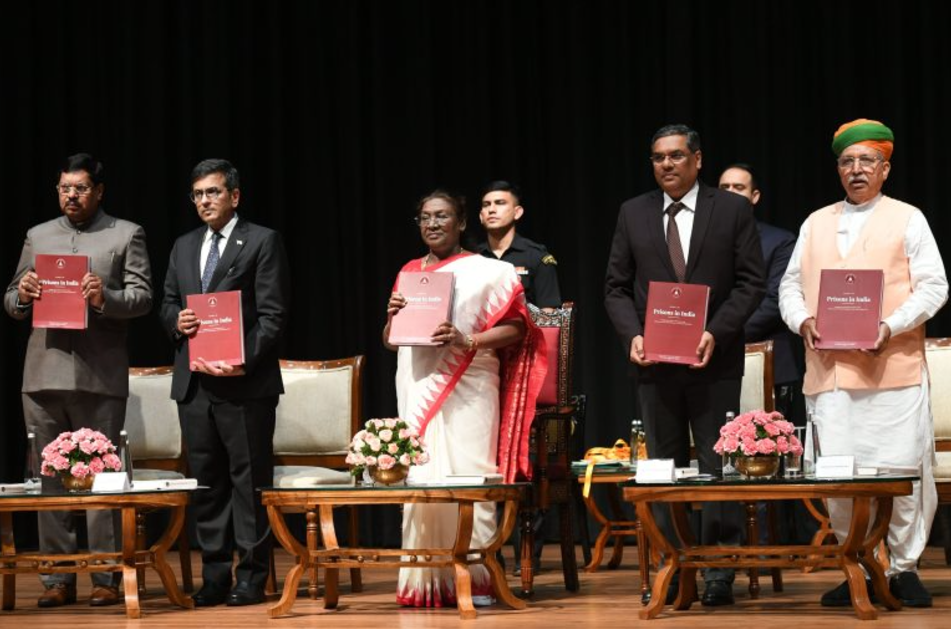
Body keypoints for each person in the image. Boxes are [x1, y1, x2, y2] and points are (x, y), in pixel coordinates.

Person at [779, 119, 947, 608]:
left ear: (885, 169)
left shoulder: (908, 218)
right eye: (847, 162)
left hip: (891, 371)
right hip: (830, 375)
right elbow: (789, 285)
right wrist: (802, 320)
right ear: (838, 169)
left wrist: (889, 326)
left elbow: (935, 287)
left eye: (867, 161)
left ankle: (902, 568)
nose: (856, 170)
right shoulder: (814, 223)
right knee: (838, 478)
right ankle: (856, 563)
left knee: (901, 473)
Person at [604, 124, 765, 606]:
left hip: (713, 361)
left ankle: (718, 570)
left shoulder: (731, 209)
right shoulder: (633, 213)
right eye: (658, 158)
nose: (667, 165)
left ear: (698, 160)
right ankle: (673, 566)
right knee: (663, 468)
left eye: (676, 156)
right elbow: (615, 285)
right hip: (654, 365)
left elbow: (751, 282)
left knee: (718, 467)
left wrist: (715, 331)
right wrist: (632, 334)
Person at [3, 153, 153, 608]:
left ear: (99, 191)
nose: (72, 195)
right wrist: (23, 295)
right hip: (43, 373)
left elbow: (143, 297)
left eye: (81, 188)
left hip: (99, 374)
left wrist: (104, 297)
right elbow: (11, 299)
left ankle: (106, 575)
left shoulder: (126, 234)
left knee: (102, 478)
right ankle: (58, 578)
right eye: (65, 187)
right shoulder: (38, 235)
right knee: (49, 478)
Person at [384, 190, 546, 607]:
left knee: (471, 477)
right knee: (422, 479)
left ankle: (476, 580)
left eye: (442, 216)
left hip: (471, 383)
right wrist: (392, 315)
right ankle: (426, 583)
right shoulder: (408, 272)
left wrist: (466, 338)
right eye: (424, 217)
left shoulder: (489, 271)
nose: (432, 224)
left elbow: (518, 329)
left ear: (460, 223)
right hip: (418, 382)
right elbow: (389, 341)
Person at [160, 159, 290, 607]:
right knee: (207, 484)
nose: (204, 202)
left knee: (248, 482)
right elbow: (168, 303)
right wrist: (176, 321)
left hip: (244, 384)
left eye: (212, 192)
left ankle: (252, 577)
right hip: (195, 385)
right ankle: (214, 576)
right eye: (197, 195)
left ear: (235, 196)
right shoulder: (183, 245)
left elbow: (273, 317)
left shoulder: (261, 240)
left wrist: (243, 359)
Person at [718, 164, 805, 424]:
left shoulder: (780, 241)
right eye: (724, 188)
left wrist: (719, 333)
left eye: (739, 187)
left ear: (754, 197)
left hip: (769, 363)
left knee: (770, 452)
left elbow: (775, 301)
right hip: (711, 363)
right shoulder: (700, 240)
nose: (731, 192)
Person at [477, 181, 562, 309]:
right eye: (486, 205)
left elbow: (548, 315)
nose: (492, 210)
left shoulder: (536, 257)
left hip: (525, 328)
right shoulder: (472, 258)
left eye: (500, 203)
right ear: (481, 216)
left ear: (517, 212)